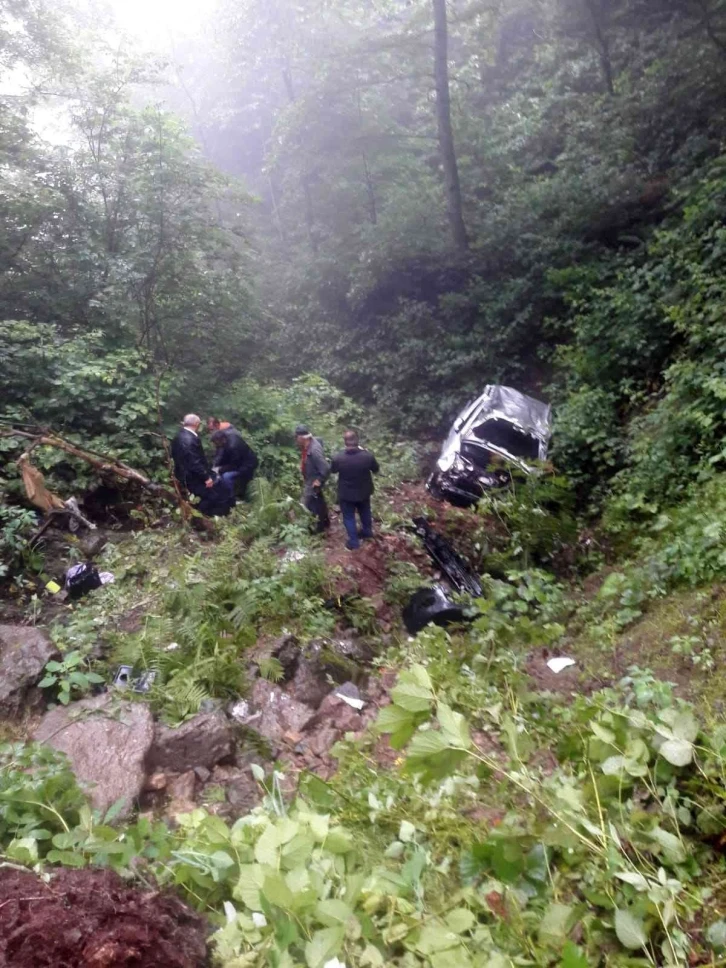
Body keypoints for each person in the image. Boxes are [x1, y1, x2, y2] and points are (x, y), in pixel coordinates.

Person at [171, 414, 232, 517]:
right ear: (196, 424)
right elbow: (194, 462)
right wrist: (206, 477)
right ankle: (206, 518)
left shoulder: (178, 436)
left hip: (182, 474)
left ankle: (202, 516)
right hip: (193, 477)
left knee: (214, 488)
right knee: (213, 495)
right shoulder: (189, 439)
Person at [330, 430, 379, 550]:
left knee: (348, 517)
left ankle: (354, 542)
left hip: (346, 494)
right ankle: (367, 532)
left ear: (345, 442)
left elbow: (333, 470)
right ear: (357, 440)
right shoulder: (367, 456)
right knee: (365, 511)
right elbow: (376, 469)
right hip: (364, 491)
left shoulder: (338, 457)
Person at [295, 425, 330, 532]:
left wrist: (319, 480)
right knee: (319, 501)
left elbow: (325, 467)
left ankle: (315, 529)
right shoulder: (308, 445)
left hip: (313, 481)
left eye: (296, 437)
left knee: (305, 504)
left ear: (302, 438)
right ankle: (325, 522)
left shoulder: (314, 450)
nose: (296, 439)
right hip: (311, 478)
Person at [211, 427, 258, 503]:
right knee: (220, 474)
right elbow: (221, 455)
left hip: (246, 465)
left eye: (216, 443)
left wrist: (219, 470)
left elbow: (234, 465)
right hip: (237, 462)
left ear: (222, 440)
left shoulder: (233, 446)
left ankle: (231, 498)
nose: (215, 445)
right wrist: (216, 465)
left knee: (226, 477)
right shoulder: (226, 440)